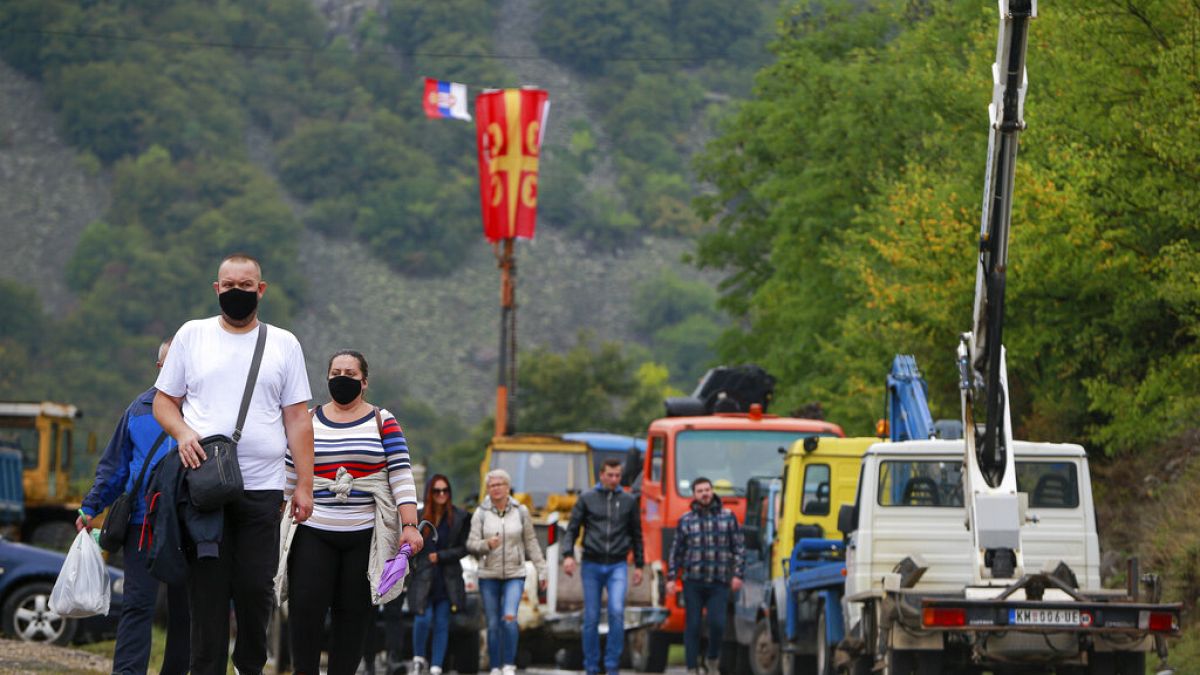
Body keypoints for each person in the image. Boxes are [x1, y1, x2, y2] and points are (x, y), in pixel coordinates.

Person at [153, 253, 315, 675]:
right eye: (230, 286)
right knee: (207, 593)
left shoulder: (284, 343)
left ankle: (250, 667)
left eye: (246, 286)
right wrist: (184, 432)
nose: (237, 293)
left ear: (261, 290)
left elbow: (297, 418)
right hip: (205, 487)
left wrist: (305, 484)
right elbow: (163, 402)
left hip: (262, 490)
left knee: (255, 588)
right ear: (217, 289)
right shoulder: (192, 335)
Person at [280, 349, 422, 675]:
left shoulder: (382, 421)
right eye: (336, 373)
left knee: (353, 618)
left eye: (350, 374)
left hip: (363, 536)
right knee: (305, 613)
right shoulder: (309, 420)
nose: (342, 379)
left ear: (364, 382)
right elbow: (290, 474)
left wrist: (410, 524)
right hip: (313, 531)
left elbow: (401, 474)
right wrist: (277, 514)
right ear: (327, 378)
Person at [77, 339, 190, 675]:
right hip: (143, 523)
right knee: (137, 606)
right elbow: (115, 467)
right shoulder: (138, 409)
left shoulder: (207, 408)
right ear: (160, 367)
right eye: (170, 363)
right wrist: (90, 507)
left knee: (186, 610)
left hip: (189, 525)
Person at [563, 458, 645, 675]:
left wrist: (639, 565)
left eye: (618, 476)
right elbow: (572, 528)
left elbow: (637, 534)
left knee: (617, 612)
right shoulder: (587, 498)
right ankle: (591, 666)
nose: (614, 479)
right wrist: (568, 555)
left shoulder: (628, 501)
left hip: (617, 564)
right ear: (601, 475)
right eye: (610, 475)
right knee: (591, 616)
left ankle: (611, 666)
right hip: (592, 563)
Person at [467, 468, 548, 675]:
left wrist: (542, 570)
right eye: (492, 485)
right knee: (493, 623)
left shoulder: (520, 511)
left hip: (515, 573)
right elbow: (471, 544)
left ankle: (509, 664)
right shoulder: (481, 513)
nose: (496, 489)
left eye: (499, 485)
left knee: (509, 618)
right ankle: (495, 666)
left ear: (507, 487)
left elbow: (531, 542)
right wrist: (487, 544)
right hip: (488, 575)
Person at [668, 477, 745, 675]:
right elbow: (676, 551)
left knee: (718, 624)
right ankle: (692, 666)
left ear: (712, 491)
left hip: (718, 581)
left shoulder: (728, 517)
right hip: (693, 582)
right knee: (692, 625)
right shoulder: (686, 520)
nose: (704, 494)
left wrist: (737, 574)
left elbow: (738, 548)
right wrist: (670, 578)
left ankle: (712, 659)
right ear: (694, 495)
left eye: (707, 490)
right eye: (700, 491)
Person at [409, 474, 471, 675]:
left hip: (448, 578)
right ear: (430, 493)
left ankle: (436, 665)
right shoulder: (419, 516)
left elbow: (464, 548)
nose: (441, 494)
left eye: (445, 490)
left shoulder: (460, 517)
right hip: (423, 576)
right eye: (437, 490)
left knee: (442, 623)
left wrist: (441, 556)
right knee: (423, 618)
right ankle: (418, 658)